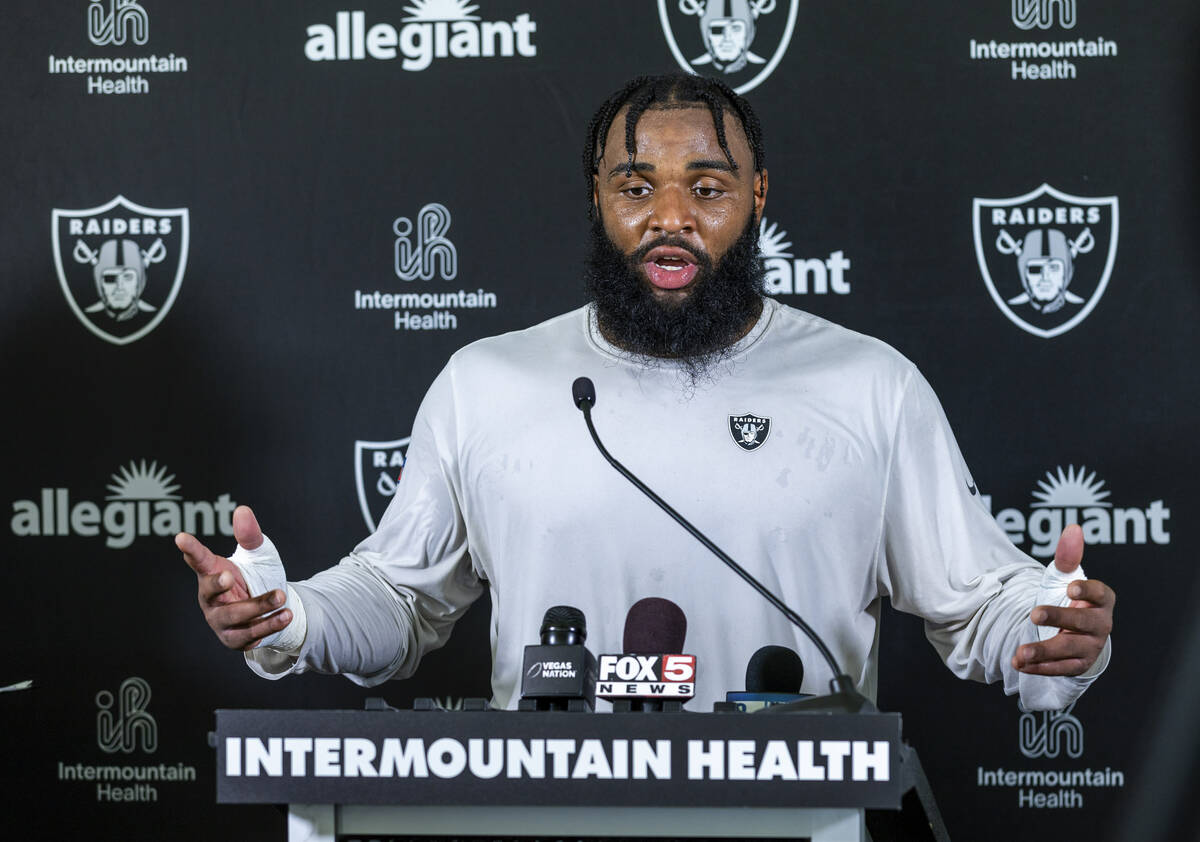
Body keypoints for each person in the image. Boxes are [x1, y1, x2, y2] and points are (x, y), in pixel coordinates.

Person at [178, 74, 1113, 711]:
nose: (670, 217)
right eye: (637, 186)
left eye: (707, 186)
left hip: (796, 822)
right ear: (597, 197)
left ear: (757, 199)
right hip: (551, 819)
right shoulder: (486, 383)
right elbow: (397, 598)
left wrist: (1055, 628)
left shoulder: (872, 386)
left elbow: (978, 601)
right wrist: (290, 616)